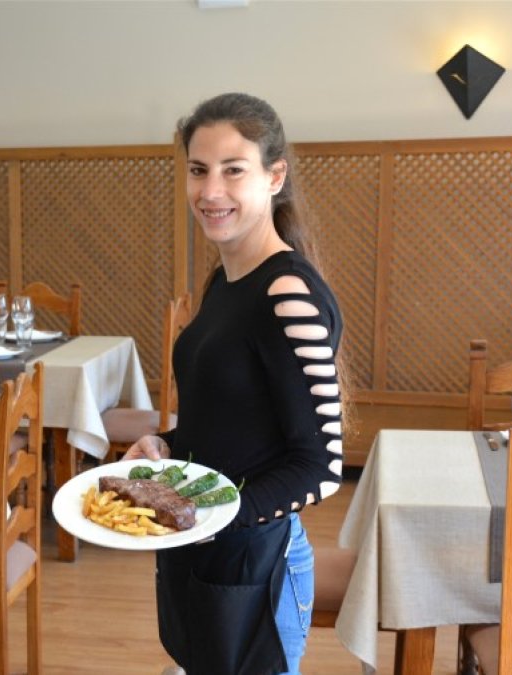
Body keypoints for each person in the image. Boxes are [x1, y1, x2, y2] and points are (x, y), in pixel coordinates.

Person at [124, 93, 344, 675]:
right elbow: (229, 417)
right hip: (203, 550)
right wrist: (167, 444)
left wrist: (216, 516)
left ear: (275, 177)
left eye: (232, 170)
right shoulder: (226, 280)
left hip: (257, 565)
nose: (209, 190)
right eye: (198, 170)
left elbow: (321, 468)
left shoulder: (287, 293)